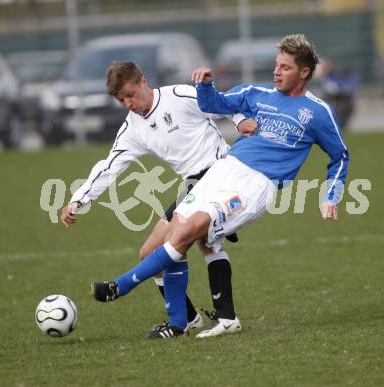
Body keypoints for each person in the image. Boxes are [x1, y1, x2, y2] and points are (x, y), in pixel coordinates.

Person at [91, 34, 350, 339]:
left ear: (304, 72)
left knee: (190, 231)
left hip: (256, 184)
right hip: (224, 169)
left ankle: (121, 286)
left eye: (285, 67)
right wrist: (204, 84)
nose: (276, 72)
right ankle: (185, 322)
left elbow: (340, 156)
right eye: (276, 65)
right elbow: (216, 104)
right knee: (177, 236)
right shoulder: (256, 92)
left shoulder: (318, 112)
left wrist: (331, 194)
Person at [61, 61, 253, 338]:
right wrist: (79, 199)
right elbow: (110, 165)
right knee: (151, 253)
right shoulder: (132, 128)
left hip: (220, 171)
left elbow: (222, 103)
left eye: (130, 94)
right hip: (193, 185)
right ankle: (189, 317)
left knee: (189, 244)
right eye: (120, 99)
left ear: (143, 81)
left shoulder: (179, 96)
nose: (128, 103)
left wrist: (240, 122)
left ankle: (205, 319)